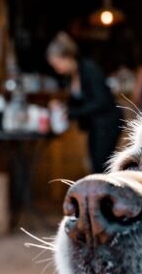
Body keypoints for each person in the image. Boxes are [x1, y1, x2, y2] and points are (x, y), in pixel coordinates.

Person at [46, 32, 123, 174]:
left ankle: (106, 195)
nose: (57, 69)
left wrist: (71, 112)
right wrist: (63, 108)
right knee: (96, 165)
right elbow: (78, 103)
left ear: (67, 57)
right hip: (95, 125)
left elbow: (101, 101)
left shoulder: (89, 69)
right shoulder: (71, 76)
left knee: (102, 167)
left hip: (107, 124)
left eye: (57, 64)